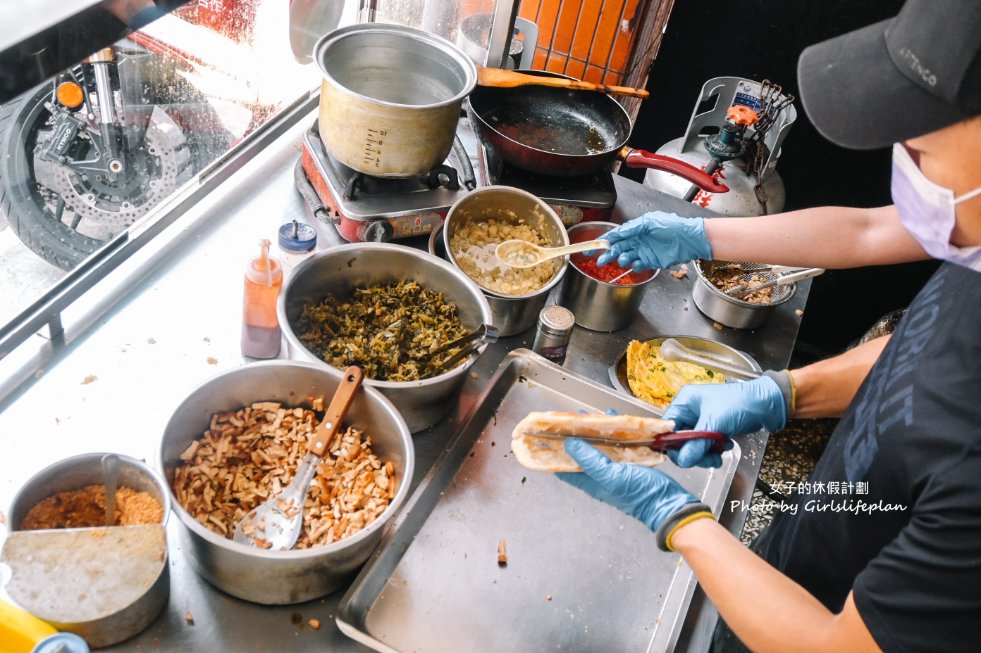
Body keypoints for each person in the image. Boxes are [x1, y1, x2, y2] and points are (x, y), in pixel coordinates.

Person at [558, 1, 981, 651]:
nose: (902, 160)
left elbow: (832, 645)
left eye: (919, 147)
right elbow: (898, 291)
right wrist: (781, 393)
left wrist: (676, 516)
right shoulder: (971, 234)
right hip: (818, 539)